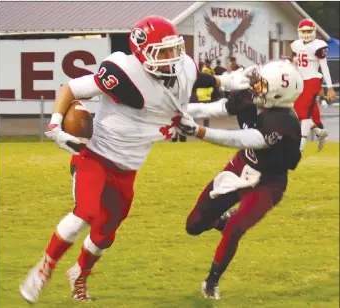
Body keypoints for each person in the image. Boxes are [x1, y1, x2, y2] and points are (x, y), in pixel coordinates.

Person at [19, 15, 251, 303]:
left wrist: (224, 79)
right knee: (86, 212)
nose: (172, 58)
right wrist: (54, 125)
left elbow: (195, 80)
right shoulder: (124, 74)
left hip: (127, 169)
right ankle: (44, 269)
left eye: (174, 49)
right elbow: (71, 88)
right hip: (97, 155)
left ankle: (80, 273)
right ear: (142, 52)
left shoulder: (183, 67)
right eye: (163, 52)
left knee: (105, 235)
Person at [177, 60, 303, 300]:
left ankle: (211, 282)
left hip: (268, 182)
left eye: (262, 85)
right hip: (240, 167)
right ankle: (219, 222)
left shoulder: (284, 122)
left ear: (277, 93)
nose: (255, 87)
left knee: (236, 228)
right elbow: (219, 108)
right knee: (193, 226)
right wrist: (181, 112)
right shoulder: (251, 97)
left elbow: (241, 139)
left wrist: (198, 132)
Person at [291, 18, 336, 151]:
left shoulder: (318, 45)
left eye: (309, 31)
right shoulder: (296, 44)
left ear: (314, 31)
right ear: (299, 32)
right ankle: (321, 132)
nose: (306, 33)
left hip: (312, 81)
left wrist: (330, 88)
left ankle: (300, 146)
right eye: (304, 31)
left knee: (301, 114)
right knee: (313, 114)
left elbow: (324, 67)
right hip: (300, 81)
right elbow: (296, 60)